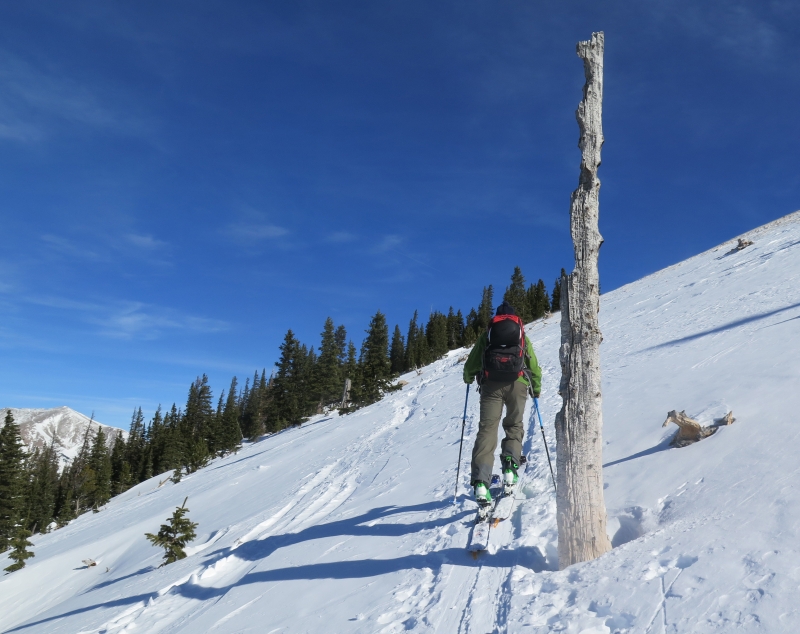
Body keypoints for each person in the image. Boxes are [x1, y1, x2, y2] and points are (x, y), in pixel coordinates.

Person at [463, 301, 542, 506]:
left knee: (487, 430)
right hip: (518, 383)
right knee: (514, 425)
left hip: (491, 386)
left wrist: (468, 376)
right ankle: (509, 469)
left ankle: (481, 482)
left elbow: (472, 362)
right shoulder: (521, 336)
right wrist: (536, 386)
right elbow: (532, 362)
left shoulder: (487, 336)